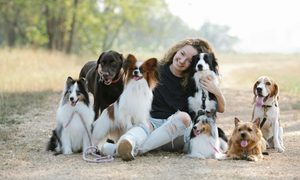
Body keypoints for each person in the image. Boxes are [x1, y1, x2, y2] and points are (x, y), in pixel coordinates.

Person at [102, 38, 226, 161]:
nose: (182, 60)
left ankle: (116, 149)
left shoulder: (194, 80)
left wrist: (216, 90)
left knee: (183, 117)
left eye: (188, 60)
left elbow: (220, 108)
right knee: (144, 124)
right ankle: (128, 142)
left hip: (177, 131)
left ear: (193, 63)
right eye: (182, 54)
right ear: (176, 50)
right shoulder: (154, 70)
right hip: (150, 124)